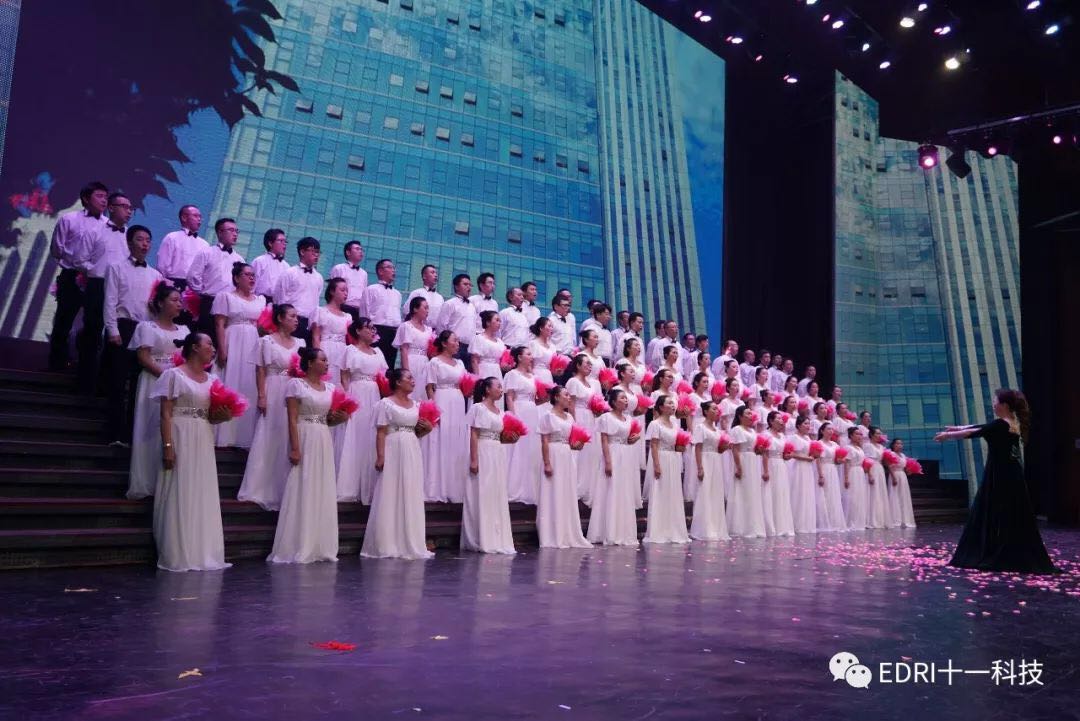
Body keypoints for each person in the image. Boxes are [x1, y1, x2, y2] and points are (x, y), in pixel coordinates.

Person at [935, 389, 1058, 573]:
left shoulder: (1001, 424)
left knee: (996, 511)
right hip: (1012, 474)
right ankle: (1009, 550)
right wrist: (957, 428)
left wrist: (948, 436)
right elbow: (980, 427)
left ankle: (996, 551)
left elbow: (978, 431)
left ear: (1004, 405)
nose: (993, 404)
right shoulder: (1012, 421)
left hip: (1001, 475)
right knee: (1011, 514)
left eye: (995, 401)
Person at [152, 332, 231, 572]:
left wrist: (223, 416)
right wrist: (168, 447)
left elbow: (212, 416)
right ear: (195, 347)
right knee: (180, 487)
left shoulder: (212, 379)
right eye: (209, 344)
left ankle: (202, 550)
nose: (213, 348)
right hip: (180, 434)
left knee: (201, 490)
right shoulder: (173, 375)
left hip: (203, 437)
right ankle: (177, 551)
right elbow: (165, 414)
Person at [268, 347, 343, 564]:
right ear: (310, 363)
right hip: (304, 435)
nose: (327, 363)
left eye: (327, 360)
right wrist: (295, 447)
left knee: (322, 485)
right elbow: (292, 418)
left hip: (323, 437)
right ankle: (298, 542)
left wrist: (340, 418)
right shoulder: (296, 385)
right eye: (323, 360)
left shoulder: (331, 388)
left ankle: (320, 543)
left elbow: (328, 418)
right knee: (303, 483)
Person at [361, 368, 435, 560]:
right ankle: (387, 541)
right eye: (409, 378)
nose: (413, 381)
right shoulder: (385, 404)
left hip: (411, 448)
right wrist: (380, 456)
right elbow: (381, 432)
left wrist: (427, 429)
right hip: (393, 447)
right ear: (398, 382)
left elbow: (417, 432)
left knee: (410, 490)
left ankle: (410, 540)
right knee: (390, 490)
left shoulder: (417, 405)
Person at [237, 304, 305, 510]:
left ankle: (285, 487)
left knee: (288, 434)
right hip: (273, 388)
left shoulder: (300, 343)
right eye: (292, 316)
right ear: (280, 318)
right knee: (269, 433)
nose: (296, 320)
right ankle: (261, 486)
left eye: (297, 316)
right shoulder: (266, 341)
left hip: (293, 391)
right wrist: (261, 395)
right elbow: (260, 371)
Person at [127, 283, 190, 499]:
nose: (179, 304)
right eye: (174, 300)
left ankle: (168, 480)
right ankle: (146, 479)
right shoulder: (147, 327)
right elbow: (143, 357)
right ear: (161, 303)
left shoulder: (184, 331)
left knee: (171, 427)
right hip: (154, 380)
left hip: (177, 384)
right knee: (150, 426)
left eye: (180, 301)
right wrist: (166, 376)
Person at [103, 226, 163, 446]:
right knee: (118, 382)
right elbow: (110, 301)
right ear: (129, 243)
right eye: (140, 239)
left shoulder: (156, 275)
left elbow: (156, 309)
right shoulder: (116, 268)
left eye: (148, 240)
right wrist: (112, 330)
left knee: (139, 383)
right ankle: (114, 434)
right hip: (123, 326)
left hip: (145, 329)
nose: (145, 244)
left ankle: (132, 436)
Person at [48, 180, 108, 371]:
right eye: (99, 196)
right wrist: (73, 264)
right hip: (72, 275)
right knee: (64, 320)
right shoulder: (69, 219)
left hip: (97, 279)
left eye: (106, 197)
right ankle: (57, 364)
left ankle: (86, 365)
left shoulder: (108, 225)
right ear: (86, 198)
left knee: (93, 323)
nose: (104, 200)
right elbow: (57, 249)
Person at [78, 191, 132, 392]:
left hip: (121, 289)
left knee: (116, 335)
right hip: (98, 284)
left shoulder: (131, 236)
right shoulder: (95, 230)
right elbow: (79, 259)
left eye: (130, 208)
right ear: (111, 208)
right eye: (124, 207)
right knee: (92, 332)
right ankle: (85, 382)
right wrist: (95, 271)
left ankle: (105, 384)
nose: (128, 211)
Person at [211, 262, 266, 449]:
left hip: (253, 342)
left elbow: (262, 327)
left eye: (253, 275)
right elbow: (220, 324)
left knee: (248, 384)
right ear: (236, 278)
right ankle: (225, 434)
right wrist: (222, 349)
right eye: (247, 275)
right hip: (233, 340)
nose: (251, 278)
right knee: (231, 381)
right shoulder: (225, 297)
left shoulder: (260, 300)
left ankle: (244, 436)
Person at [335, 317, 389, 504]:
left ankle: (370, 484)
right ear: (358, 331)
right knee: (355, 433)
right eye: (368, 328)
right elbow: (344, 376)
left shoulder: (378, 352)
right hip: (356, 391)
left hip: (373, 394)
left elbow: (383, 378)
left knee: (370, 433)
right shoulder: (350, 350)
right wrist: (347, 399)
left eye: (374, 328)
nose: (372, 331)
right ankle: (349, 484)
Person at [461, 377, 517, 554]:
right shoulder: (478, 408)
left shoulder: (501, 412)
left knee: (496, 492)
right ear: (487, 389)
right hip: (483, 451)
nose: (501, 390)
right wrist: (474, 459)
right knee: (483, 491)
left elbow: (500, 436)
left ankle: (497, 536)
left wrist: (511, 439)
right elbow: (474, 434)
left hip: (497, 452)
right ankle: (481, 536)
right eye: (498, 387)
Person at [535, 387, 594, 548]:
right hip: (553, 454)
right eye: (566, 395)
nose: (569, 398)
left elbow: (572, 441)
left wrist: (579, 444)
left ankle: (567, 532)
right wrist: (547, 463)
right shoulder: (548, 416)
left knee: (566, 491)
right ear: (556, 397)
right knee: (552, 491)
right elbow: (544, 441)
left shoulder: (569, 417)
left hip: (567, 456)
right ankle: (551, 533)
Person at [587, 388, 640, 546]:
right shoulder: (606, 418)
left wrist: (635, 438)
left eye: (626, 398)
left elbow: (628, 438)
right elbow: (604, 440)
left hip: (626, 455)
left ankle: (623, 530)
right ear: (614, 401)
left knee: (624, 490)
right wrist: (608, 462)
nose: (626, 400)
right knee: (610, 489)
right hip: (613, 453)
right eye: (622, 398)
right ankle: (607, 530)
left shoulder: (628, 419)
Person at [422, 331, 469, 503]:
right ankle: (437, 487)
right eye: (454, 340)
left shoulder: (460, 363)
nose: (457, 344)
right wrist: (434, 410)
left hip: (457, 400)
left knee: (456, 439)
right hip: (442, 398)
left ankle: (454, 486)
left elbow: (465, 384)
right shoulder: (434, 362)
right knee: (441, 438)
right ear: (444, 343)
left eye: (458, 340)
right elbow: (429, 387)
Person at [643, 395, 690, 544]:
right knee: (661, 491)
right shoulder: (655, 424)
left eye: (673, 403)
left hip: (673, 459)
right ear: (661, 407)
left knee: (673, 493)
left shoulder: (675, 424)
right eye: (669, 403)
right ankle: (659, 530)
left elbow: (676, 444)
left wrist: (680, 448)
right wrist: (656, 465)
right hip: (661, 458)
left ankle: (673, 529)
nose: (673, 405)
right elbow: (654, 445)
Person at [186, 217, 244, 337]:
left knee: (227, 338)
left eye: (236, 231)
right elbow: (193, 276)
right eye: (231, 230)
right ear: (220, 232)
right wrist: (204, 293)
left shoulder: (239, 259)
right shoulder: (206, 253)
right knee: (207, 336)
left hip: (231, 304)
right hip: (210, 302)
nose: (235, 234)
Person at [504, 347, 542, 505]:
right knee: (519, 447)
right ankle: (515, 487)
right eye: (528, 354)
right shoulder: (512, 374)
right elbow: (510, 397)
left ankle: (531, 488)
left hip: (532, 411)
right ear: (519, 357)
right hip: (519, 409)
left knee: (532, 447)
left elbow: (536, 398)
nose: (531, 357)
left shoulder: (533, 376)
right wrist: (514, 417)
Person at [689, 401, 731, 541]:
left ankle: (716, 527)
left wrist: (725, 446)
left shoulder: (717, 430)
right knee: (705, 492)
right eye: (713, 409)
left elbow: (719, 450)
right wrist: (700, 467)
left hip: (716, 461)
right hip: (705, 460)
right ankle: (704, 528)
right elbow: (698, 448)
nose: (717, 411)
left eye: (717, 409)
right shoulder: (700, 427)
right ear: (706, 411)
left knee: (715, 493)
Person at [564, 354, 603, 503]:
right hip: (579, 417)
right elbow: (571, 405)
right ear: (578, 365)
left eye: (590, 364)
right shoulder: (573, 382)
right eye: (586, 363)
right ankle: (575, 487)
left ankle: (589, 487)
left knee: (591, 453)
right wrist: (574, 425)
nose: (589, 366)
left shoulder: (593, 383)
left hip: (591, 418)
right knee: (579, 453)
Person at [273, 236, 323, 343]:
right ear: (302, 251)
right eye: (313, 251)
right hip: (291, 321)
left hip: (309, 324)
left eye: (318, 252)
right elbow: (279, 299)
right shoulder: (289, 273)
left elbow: (316, 301)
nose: (316, 255)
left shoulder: (319, 277)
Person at [727, 405, 767, 538]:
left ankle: (753, 525)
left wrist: (759, 450)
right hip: (743, 460)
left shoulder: (752, 431)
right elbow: (735, 449)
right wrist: (739, 467)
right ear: (740, 416)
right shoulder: (737, 429)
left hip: (753, 461)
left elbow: (755, 448)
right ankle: (741, 527)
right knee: (742, 491)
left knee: (753, 492)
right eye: (748, 413)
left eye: (751, 413)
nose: (751, 416)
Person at [358, 258, 402, 367]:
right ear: (380, 271)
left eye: (394, 268)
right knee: (374, 364)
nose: (393, 270)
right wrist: (367, 333)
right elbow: (364, 314)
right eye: (390, 267)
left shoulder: (398, 294)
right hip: (376, 331)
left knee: (389, 366)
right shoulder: (370, 289)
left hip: (393, 333)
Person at [311, 278, 352, 386]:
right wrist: (318, 357)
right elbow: (316, 337)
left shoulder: (348, 316)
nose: (346, 293)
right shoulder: (320, 311)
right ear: (332, 291)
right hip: (326, 348)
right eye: (342, 290)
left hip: (342, 350)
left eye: (347, 291)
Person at [393, 297, 434, 403]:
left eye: (428, 308)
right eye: (425, 308)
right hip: (412, 361)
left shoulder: (429, 329)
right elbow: (404, 350)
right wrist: (406, 372)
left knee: (423, 392)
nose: (427, 311)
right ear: (415, 309)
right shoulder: (406, 326)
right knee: (412, 391)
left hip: (425, 363)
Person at [156, 204, 207, 289]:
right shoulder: (172, 237)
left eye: (200, 217)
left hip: (195, 287)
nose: (199, 219)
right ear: (184, 218)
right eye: (195, 216)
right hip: (173, 284)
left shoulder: (204, 244)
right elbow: (162, 266)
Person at [761, 411, 796, 537]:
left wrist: (788, 456)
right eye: (779, 418)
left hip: (781, 465)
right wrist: (765, 471)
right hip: (770, 464)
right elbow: (764, 454)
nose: (782, 421)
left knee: (781, 494)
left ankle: (782, 525)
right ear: (771, 421)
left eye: (782, 419)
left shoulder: (782, 436)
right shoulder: (765, 435)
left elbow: (784, 454)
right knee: (770, 493)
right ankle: (770, 525)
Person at [786, 415, 819, 534]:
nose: (808, 426)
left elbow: (810, 455)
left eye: (808, 424)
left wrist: (814, 455)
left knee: (807, 493)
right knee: (798, 492)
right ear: (798, 425)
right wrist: (806, 458)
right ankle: (797, 523)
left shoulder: (808, 438)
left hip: (808, 468)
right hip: (798, 467)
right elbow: (790, 454)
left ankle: (807, 523)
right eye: (805, 423)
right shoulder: (793, 437)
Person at [435, 274, 477, 364]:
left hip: (470, 347)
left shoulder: (472, 306)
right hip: (454, 346)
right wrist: (446, 345)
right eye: (465, 284)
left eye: (470, 285)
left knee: (466, 372)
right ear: (456, 286)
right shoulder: (450, 304)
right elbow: (441, 326)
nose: (469, 287)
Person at [815, 423, 847, 532]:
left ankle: (834, 521)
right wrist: (820, 475)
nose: (831, 431)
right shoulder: (819, 443)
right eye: (828, 429)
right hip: (823, 469)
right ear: (822, 431)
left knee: (833, 495)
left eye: (832, 429)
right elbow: (817, 460)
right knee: (823, 494)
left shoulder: (835, 445)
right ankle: (824, 521)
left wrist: (840, 461)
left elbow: (836, 461)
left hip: (833, 470)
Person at [470, 311, 507, 405]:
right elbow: (474, 360)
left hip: (496, 371)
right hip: (484, 369)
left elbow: (502, 361)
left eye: (500, 321)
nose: (499, 323)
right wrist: (478, 379)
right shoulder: (479, 338)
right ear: (488, 322)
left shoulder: (500, 342)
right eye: (497, 320)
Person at [862, 426, 895, 529]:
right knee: (873, 492)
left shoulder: (881, 447)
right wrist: (869, 474)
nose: (879, 435)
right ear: (871, 435)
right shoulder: (867, 445)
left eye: (880, 433)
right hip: (872, 469)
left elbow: (884, 460)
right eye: (877, 433)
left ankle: (880, 518)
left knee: (880, 492)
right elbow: (866, 460)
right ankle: (872, 519)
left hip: (880, 469)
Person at [329, 240, 367, 321]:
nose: (361, 251)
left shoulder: (364, 273)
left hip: (358, 311)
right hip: (343, 307)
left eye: (361, 249)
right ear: (348, 252)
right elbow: (332, 290)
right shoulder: (339, 268)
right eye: (357, 249)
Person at [841, 426, 869, 531]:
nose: (859, 436)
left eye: (860, 434)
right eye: (856, 434)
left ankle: (859, 521)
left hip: (860, 472)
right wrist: (846, 478)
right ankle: (851, 521)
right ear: (851, 436)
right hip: (852, 472)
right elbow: (846, 463)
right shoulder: (848, 448)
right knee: (852, 496)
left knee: (860, 496)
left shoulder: (860, 448)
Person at [251, 228, 289, 303]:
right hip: (261, 302)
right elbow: (251, 286)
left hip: (279, 305)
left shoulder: (286, 266)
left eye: (285, 241)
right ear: (270, 243)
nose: (284, 244)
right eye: (281, 241)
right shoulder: (259, 261)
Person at [885, 438, 917, 528]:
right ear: (893, 445)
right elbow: (889, 466)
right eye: (897, 443)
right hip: (895, 475)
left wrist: (909, 471)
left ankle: (905, 519)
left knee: (903, 496)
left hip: (902, 476)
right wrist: (893, 477)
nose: (899, 445)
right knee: (894, 495)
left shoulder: (903, 455)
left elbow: (905, 467)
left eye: (901, 444)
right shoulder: (891, 454)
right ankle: (895, 519)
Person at [403, 264, 444, 330]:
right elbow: (406, 311)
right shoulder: (417, 293)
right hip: (418, 329)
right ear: (424, 276)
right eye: (432, 272)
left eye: (436, 273)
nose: (436, 275)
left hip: (435, 331)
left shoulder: (440, 297)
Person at [527, 317, 558, 385]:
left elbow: (552, 367)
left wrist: (557, 372)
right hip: (536, 374)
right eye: (549, 326)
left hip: (548, 376)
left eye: (552, 327)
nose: (551, 329)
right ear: (541, 328)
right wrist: (533, 378)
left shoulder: (552, 346)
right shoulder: (533, 344)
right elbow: (529, 364)